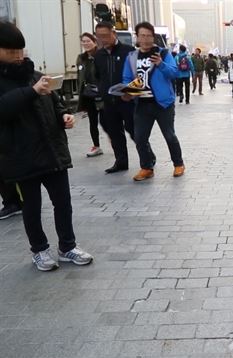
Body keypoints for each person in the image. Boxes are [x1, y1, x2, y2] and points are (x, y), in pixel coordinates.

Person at [0, 21, 93, 271]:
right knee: (31, 207)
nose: (18, 57)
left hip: (52, 151)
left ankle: (67, 246)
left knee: (63, 201)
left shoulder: (36, 75)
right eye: (11, 52)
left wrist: (64, 116)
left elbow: (55, 102)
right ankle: (39, 250)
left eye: (20, 51)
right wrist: (31, 92)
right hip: (21, 156)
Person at [122, 22, 184, 182]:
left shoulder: (163, 53)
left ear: (153, 37)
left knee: (169, 135)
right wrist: (127, 92)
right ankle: (146, 167)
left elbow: (174, 72)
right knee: (140, 138)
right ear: (137, 37)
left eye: (149, 35)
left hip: (163, 104)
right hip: (142, 104)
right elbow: (127, 78)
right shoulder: (132, 57)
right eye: (142, 35)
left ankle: (178, 164)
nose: (145, 39)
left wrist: (161, 64)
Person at [95, 21, 144, 174]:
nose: (103, 39)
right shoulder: (99, 55)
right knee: (114, 132)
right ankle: (121, 161)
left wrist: (130, 94)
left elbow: (139, 76)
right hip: (109, 101)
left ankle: (147, 157)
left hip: (127, 100)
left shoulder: (128, 51)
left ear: (113, 33)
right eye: (99, 37)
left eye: (105, 36)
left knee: (134, 130)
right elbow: (98, 77)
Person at [77, 32, 103, 158]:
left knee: (107, 121)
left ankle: (115, 142)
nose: (86, 44)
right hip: (88, 94)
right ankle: (96, 146)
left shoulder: (101, 56)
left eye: (88, 41)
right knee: (92, 122)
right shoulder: (81, 58)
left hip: (102, 94)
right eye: (83, 41)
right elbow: (80, 78)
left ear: (95, 42)